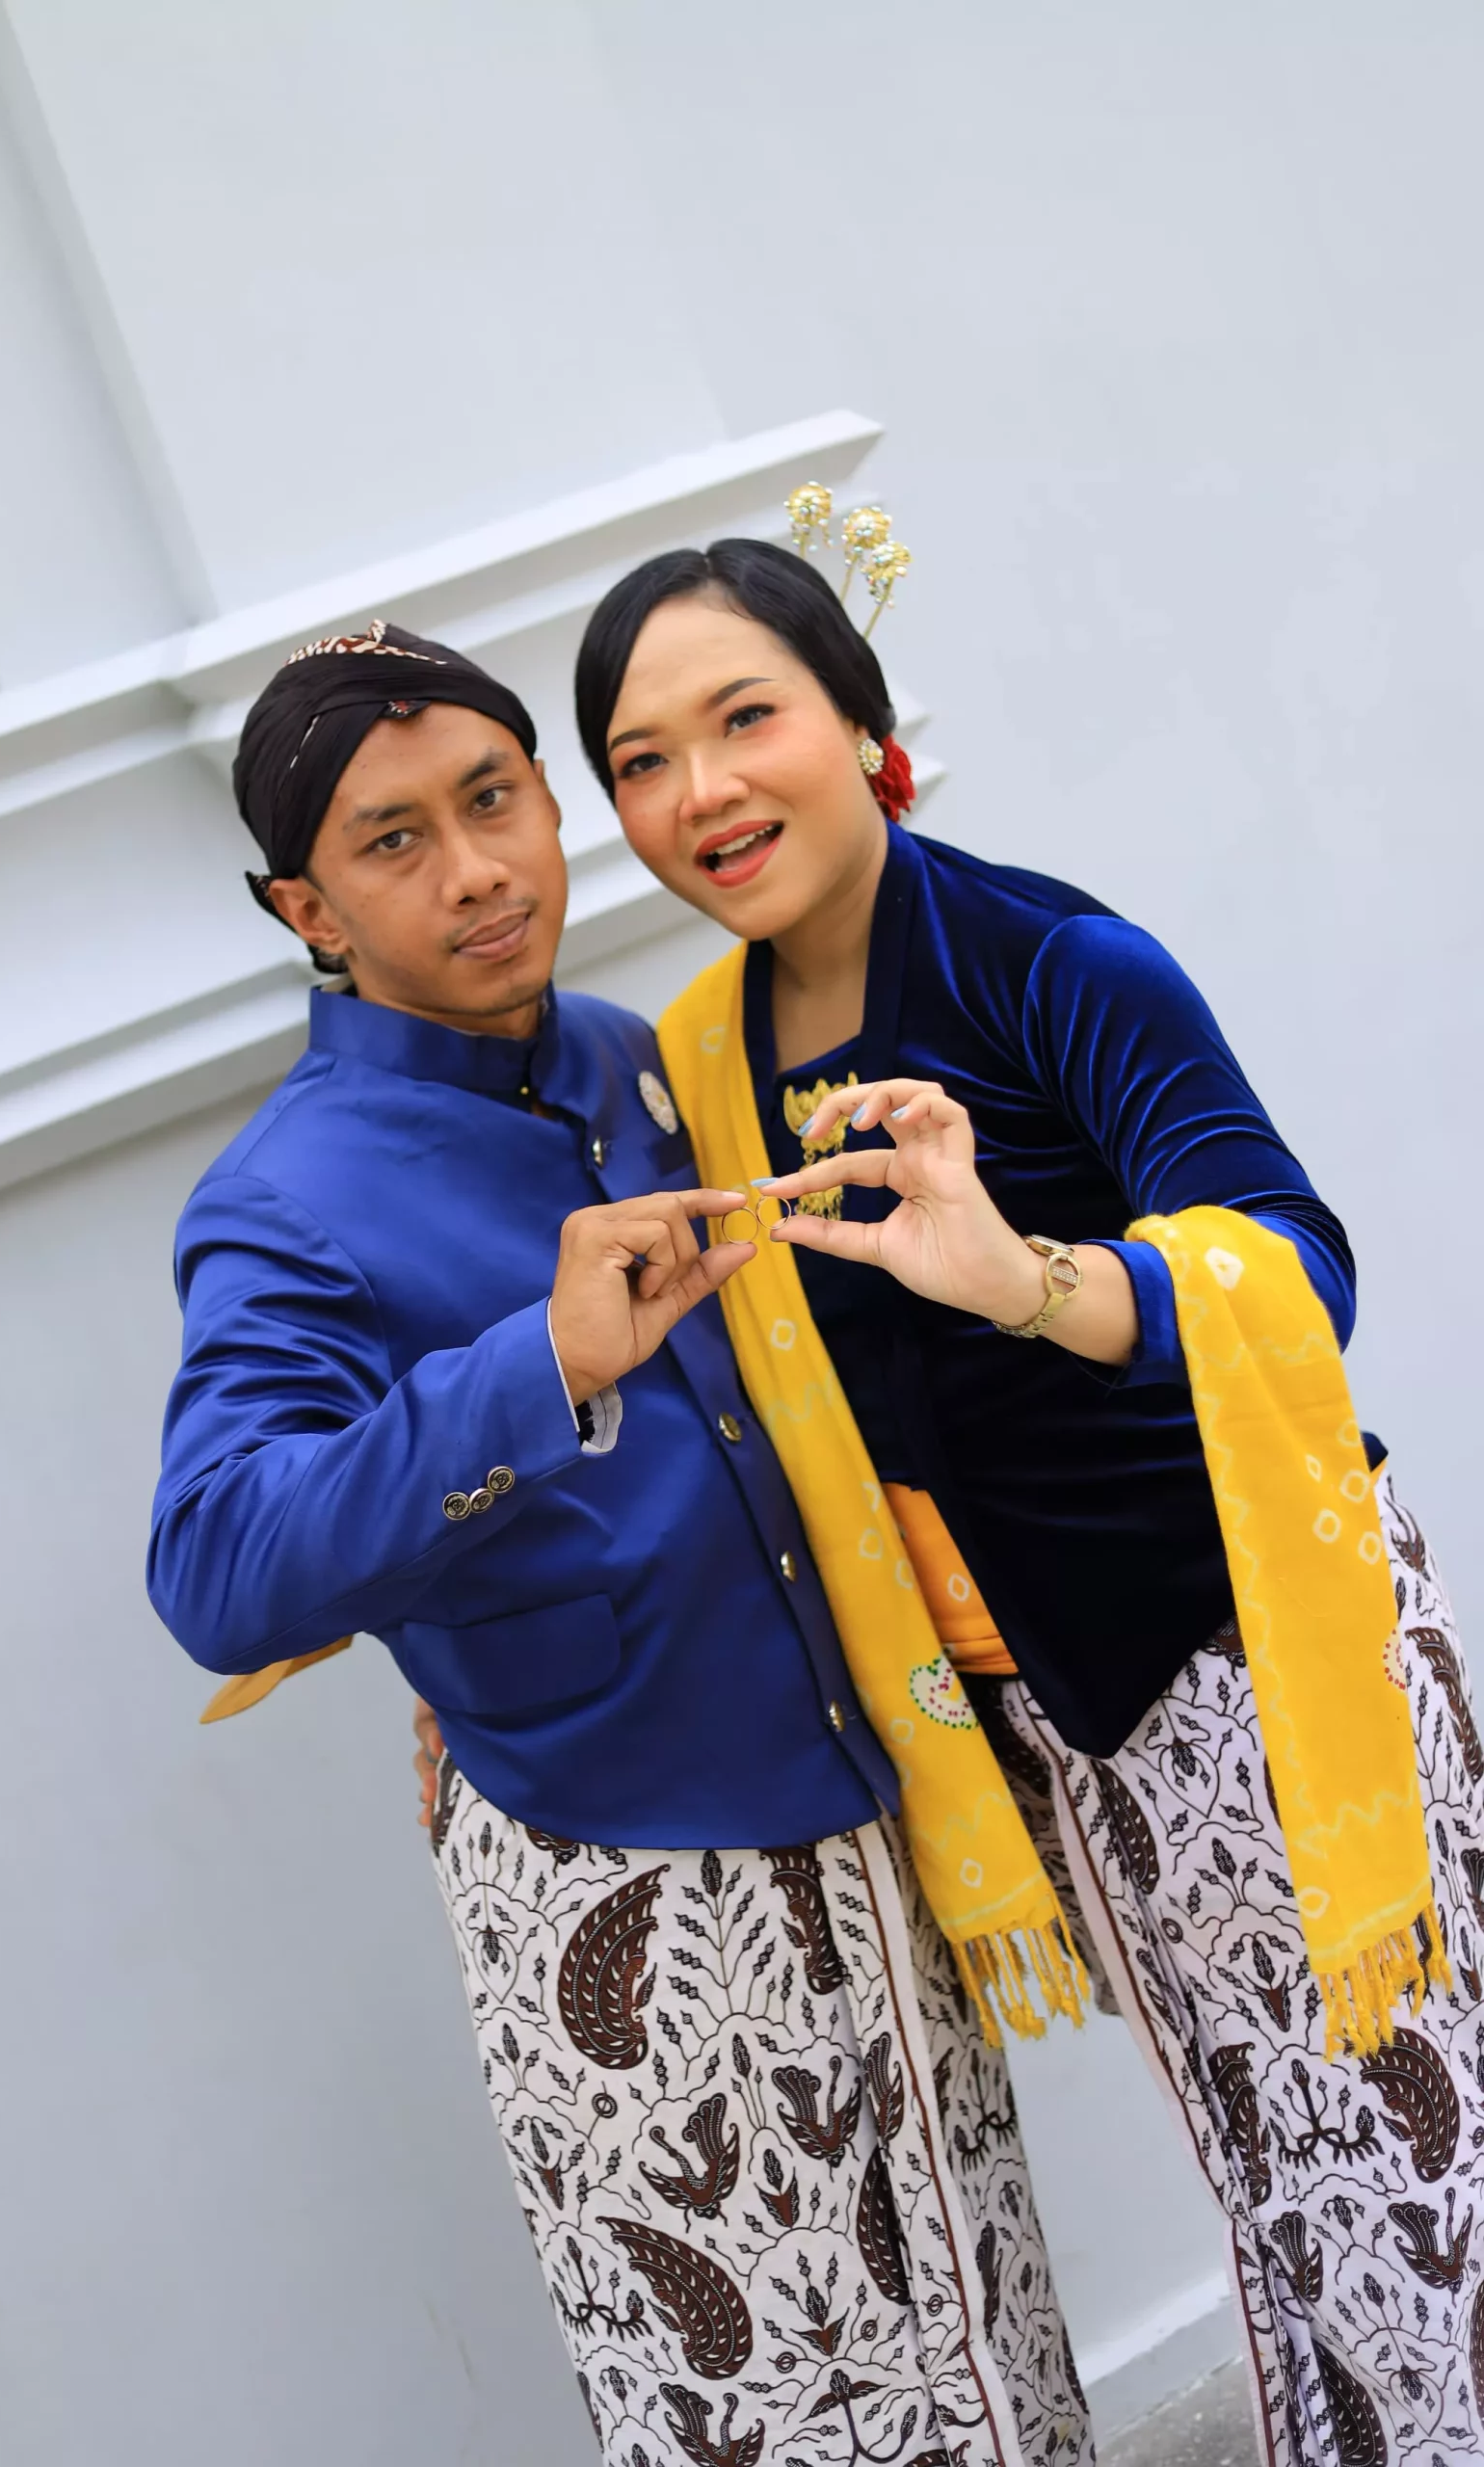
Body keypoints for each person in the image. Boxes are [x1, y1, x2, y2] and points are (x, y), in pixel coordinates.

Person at [551, 534, 1484, 2467]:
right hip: (1048, 1714)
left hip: (1249, 1660)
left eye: (745, 717)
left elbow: (1297, 1267)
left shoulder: (1049, 962)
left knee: (1419, 2182)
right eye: (642, 759)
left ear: (860, 722)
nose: (701, 789)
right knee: (1280, 2194)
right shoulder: (706, 1062)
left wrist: (1027, 1277)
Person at [147, 620, 1095, 2467]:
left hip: (863, 1821)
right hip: (628, 1884)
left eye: (493, 799)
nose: (476, 869)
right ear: (304, 910)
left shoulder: (632, 1063)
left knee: (987, 2362)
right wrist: (542, 1365)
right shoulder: (283, 1204)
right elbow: (219, 1568)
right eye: (395, 840)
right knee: (776, 2414)